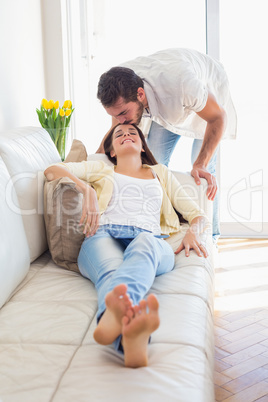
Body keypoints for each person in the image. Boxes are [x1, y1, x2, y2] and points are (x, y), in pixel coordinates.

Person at [44, 123, 209, 368]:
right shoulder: (101, 169)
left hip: (150, 239)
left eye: (133, 133)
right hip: (103, 235)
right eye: (119, 134)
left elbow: (197, 214)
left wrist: (191, 233)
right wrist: (83, 186)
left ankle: (113, 319)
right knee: (111, 271)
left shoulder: (160, 173)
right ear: (111, 151)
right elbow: (52, 170)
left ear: (143, 146)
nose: (127, 135)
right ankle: (131, 341)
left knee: (143, 246)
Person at [96, 48, 237, 243]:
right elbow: (112, 137)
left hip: (205, 92)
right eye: (115, 115)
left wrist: (201, 163)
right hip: (164, 98)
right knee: (153, 165)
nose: (121, 121)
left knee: (202, 172)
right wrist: (94, 161)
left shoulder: (183, 86)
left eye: (123, 113)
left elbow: (218, 117)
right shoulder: (121, 92)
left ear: (140, 94)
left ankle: (210, 239)